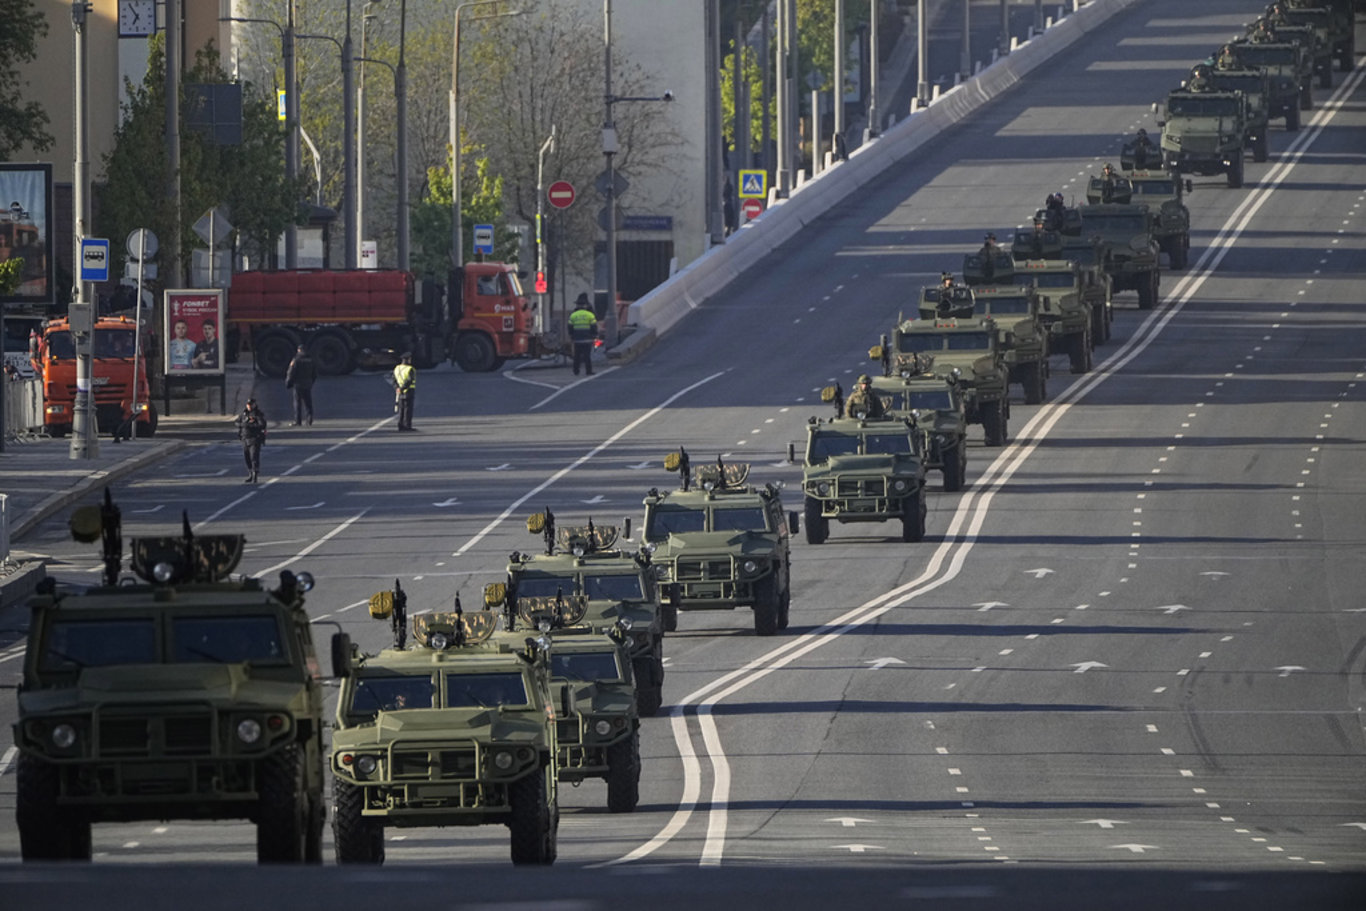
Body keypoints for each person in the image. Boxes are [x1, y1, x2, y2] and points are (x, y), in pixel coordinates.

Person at [236, 397, 267, 483]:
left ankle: (255, 474)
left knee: (254, 456)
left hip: (254, 438)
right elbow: (237, 422)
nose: (249, 406)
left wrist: (250, 425)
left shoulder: (257, 414)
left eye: (251, 404)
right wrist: (242, 424)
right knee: (247, 457)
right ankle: (250, 472)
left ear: (254, 405)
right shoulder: (244, 413)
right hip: (245, 438)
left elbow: (262, 425)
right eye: (248, 404)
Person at [284, 345, 316, 426]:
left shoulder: (296, 360)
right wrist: (311, 382)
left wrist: (288, 383)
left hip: (298, 384)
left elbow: (291, 372)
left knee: (297, 403)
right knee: (308, 402)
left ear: (299, 350)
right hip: (307, 384)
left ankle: (298, 421)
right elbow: (314, 373)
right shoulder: (311, 360)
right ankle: (309, 419)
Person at [568, 293, 598, 376]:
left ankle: (576, 370)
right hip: (587, 338)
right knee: (587, 356)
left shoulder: (573, 315)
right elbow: (593, 327)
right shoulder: (590, 315)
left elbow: (570, 327)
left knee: (577, 355)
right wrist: (594, 335)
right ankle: (588, 371)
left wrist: (571, 335)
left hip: (577, 339)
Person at [393, 352, 416, 431]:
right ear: (407, 360)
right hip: (408, 391)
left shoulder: (397, 368)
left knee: (401, 409)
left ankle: (400, 425)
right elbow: (409, 380)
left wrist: (398, 388)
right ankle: (407, 426)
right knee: (408, 409)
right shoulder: (410, 369)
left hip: (399, 392)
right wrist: (403, 388)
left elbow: (394, 380)